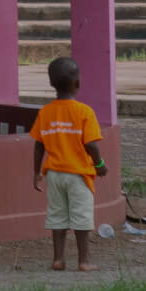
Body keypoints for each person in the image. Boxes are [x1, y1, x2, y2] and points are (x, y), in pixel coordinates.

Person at [32, 57, 108, 271]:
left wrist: (36, 172)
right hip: (78, 175)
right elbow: (91, 145)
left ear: (50, 84)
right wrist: (100, 164)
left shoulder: (45, 113)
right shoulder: (84, 112)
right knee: (82, 217)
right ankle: (84, 261)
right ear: (78, 84)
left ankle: (58, 259)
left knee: (57, 216)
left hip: (54, 174)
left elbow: (38, 146)